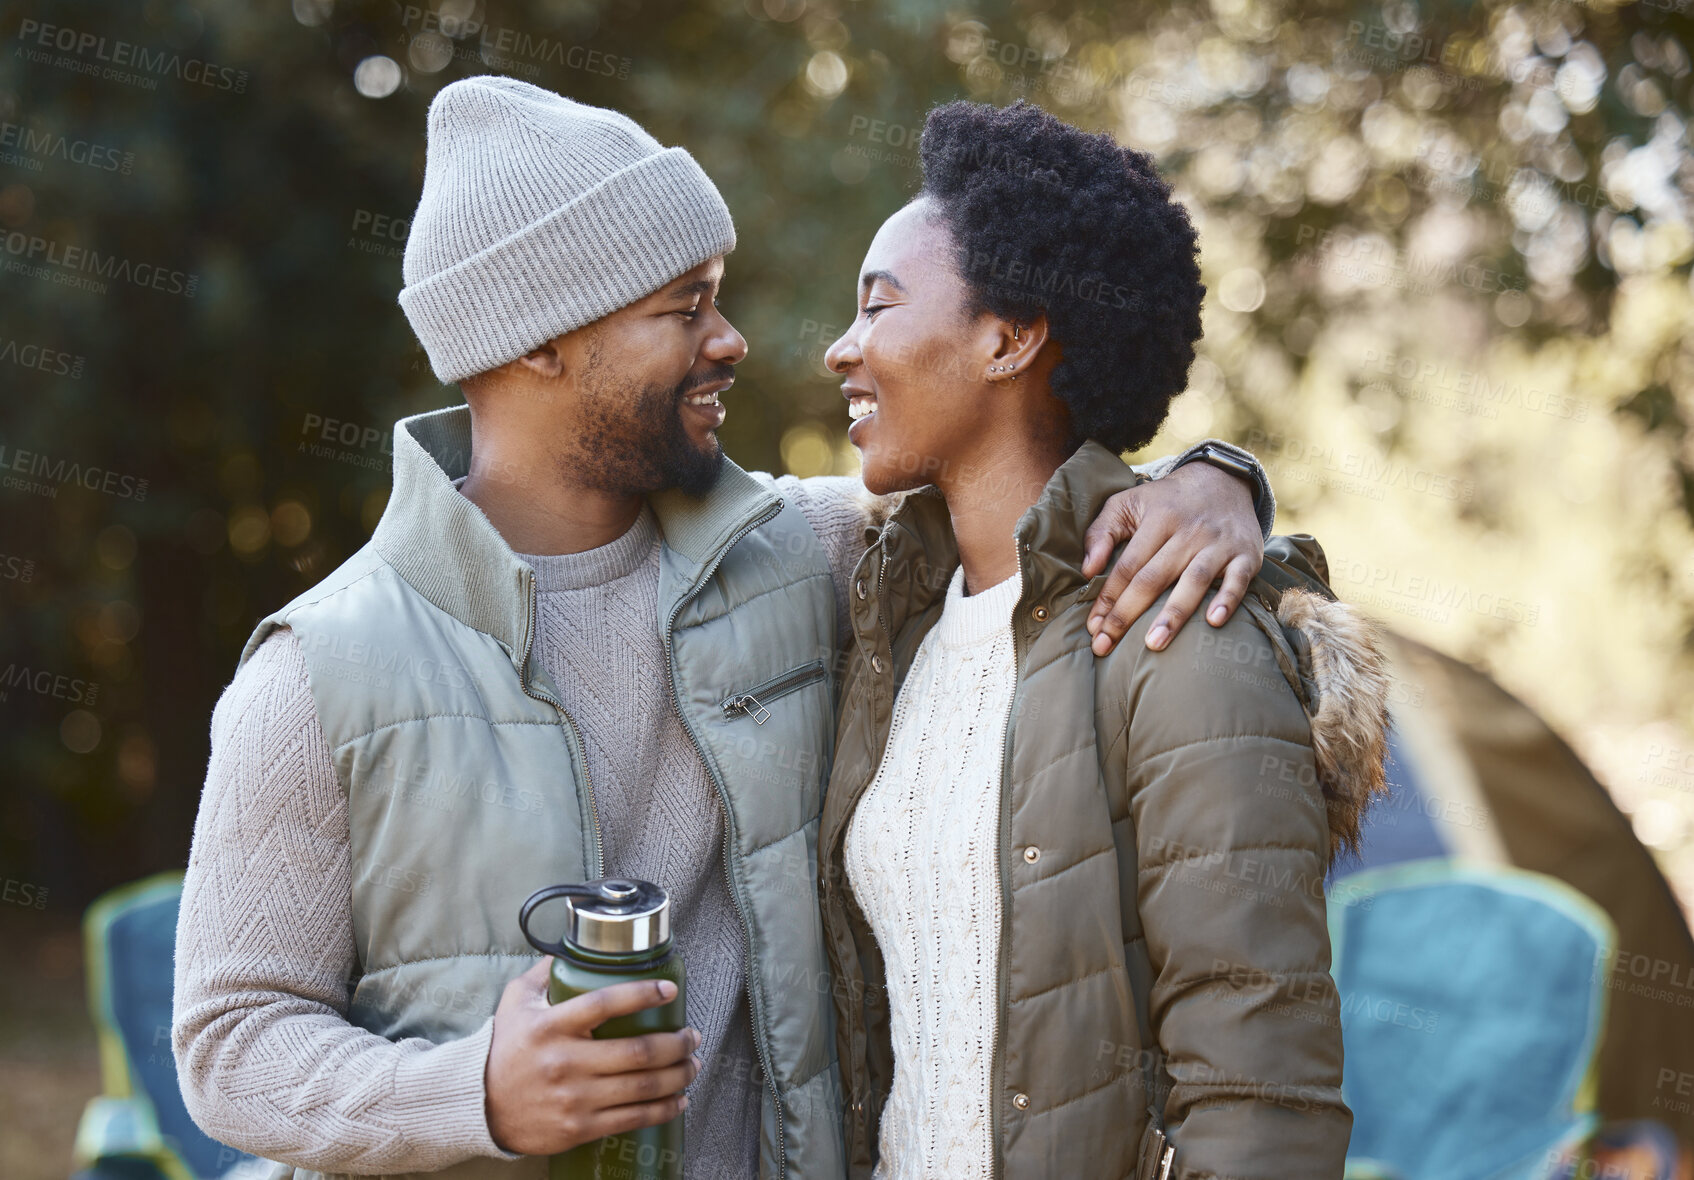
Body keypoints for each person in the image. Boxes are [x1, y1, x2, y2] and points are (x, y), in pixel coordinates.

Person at [171, 78, 1281, 1180]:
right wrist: (474, 1094)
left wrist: (1213, 478)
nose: (731, 339)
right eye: (683, 306)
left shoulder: (807, 552)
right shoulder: (319, 668)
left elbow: (1028, 498)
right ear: (543, 341)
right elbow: (230, 1044)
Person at [817, 99, 1393, 1179]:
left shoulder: (1181, 634)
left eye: (878, 307)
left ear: (1009, 337)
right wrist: (1228, 467)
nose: (841, 348)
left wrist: (1225, 482)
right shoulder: (888, 619)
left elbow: (1259, 1089)